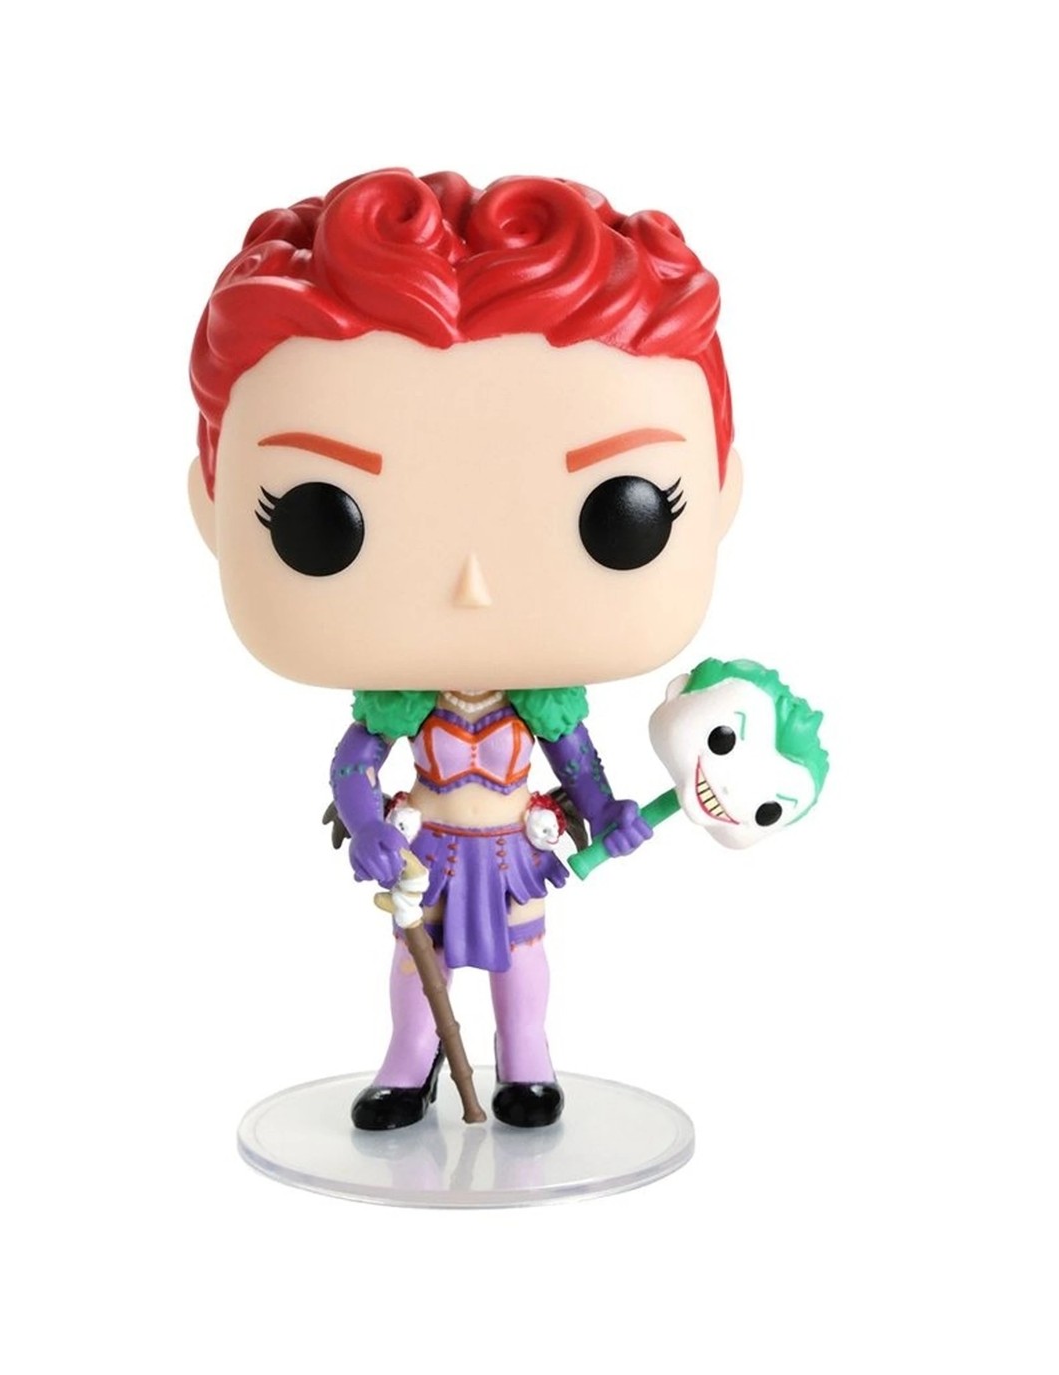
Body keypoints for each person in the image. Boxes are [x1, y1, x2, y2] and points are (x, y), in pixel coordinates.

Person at [187, 168, 742, 1130]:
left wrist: (607, 811)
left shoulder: (546, 706)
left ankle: (527, 1063)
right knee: (419, 970)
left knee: (523, 959)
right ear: (212, 502)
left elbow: (577, 762)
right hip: (432, 847)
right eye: (320, 517)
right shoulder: (399, 706)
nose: (473, 587)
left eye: (622, 513)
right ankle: (411, 1067)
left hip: (513, 846)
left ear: (724, 492)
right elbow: (353, 766)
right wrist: (368, 826)